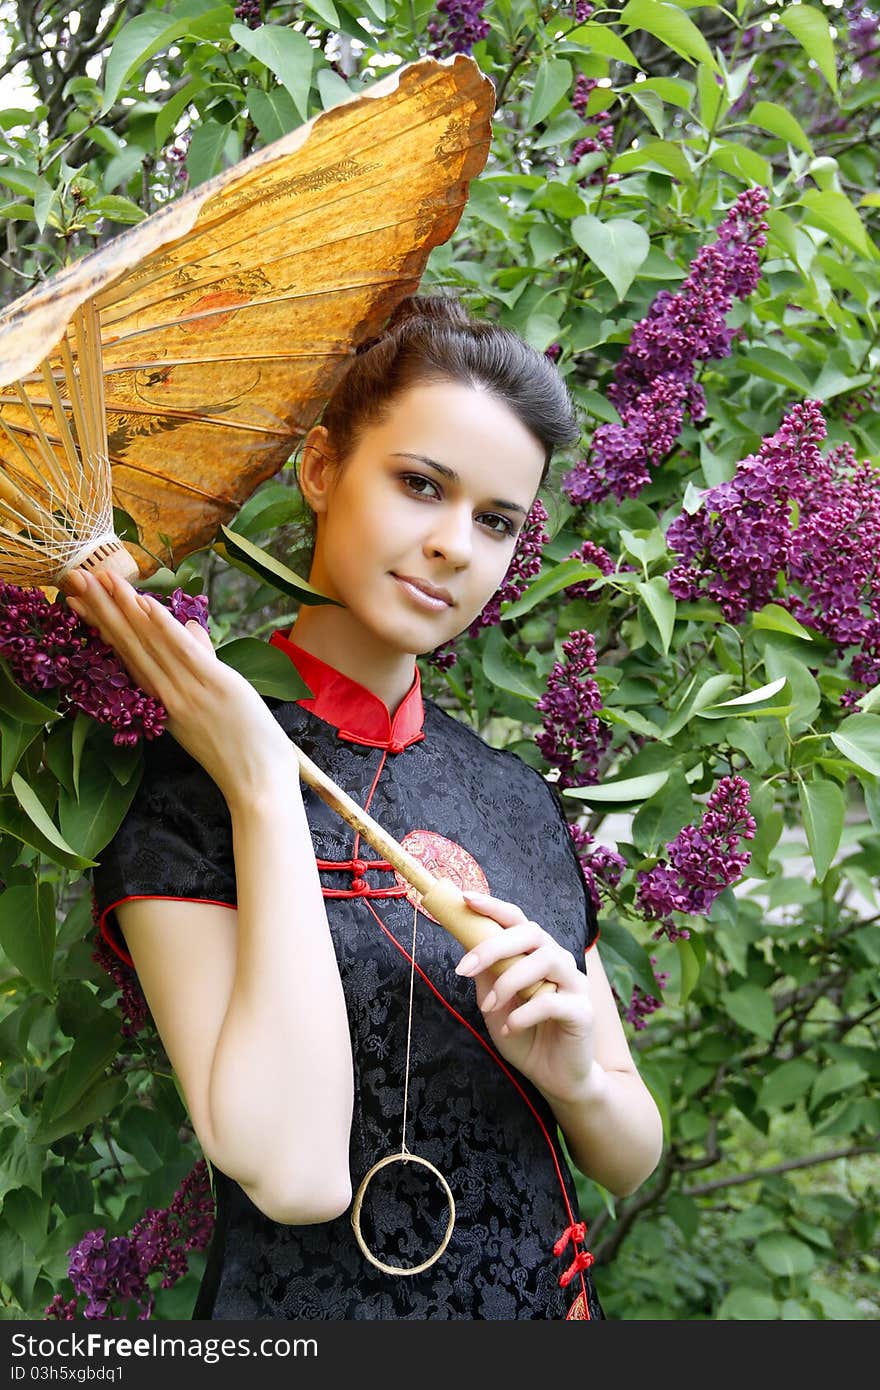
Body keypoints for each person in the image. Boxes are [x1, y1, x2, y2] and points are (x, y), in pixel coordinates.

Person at [72, 294, 663, 1322]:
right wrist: (260, 780)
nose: (452, 546)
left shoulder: (511, 796)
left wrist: (580, 1080)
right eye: (419, 485)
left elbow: (627, 1153)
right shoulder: (184, 789)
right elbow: (291, 1172)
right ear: (319, 468)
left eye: (496, 520)